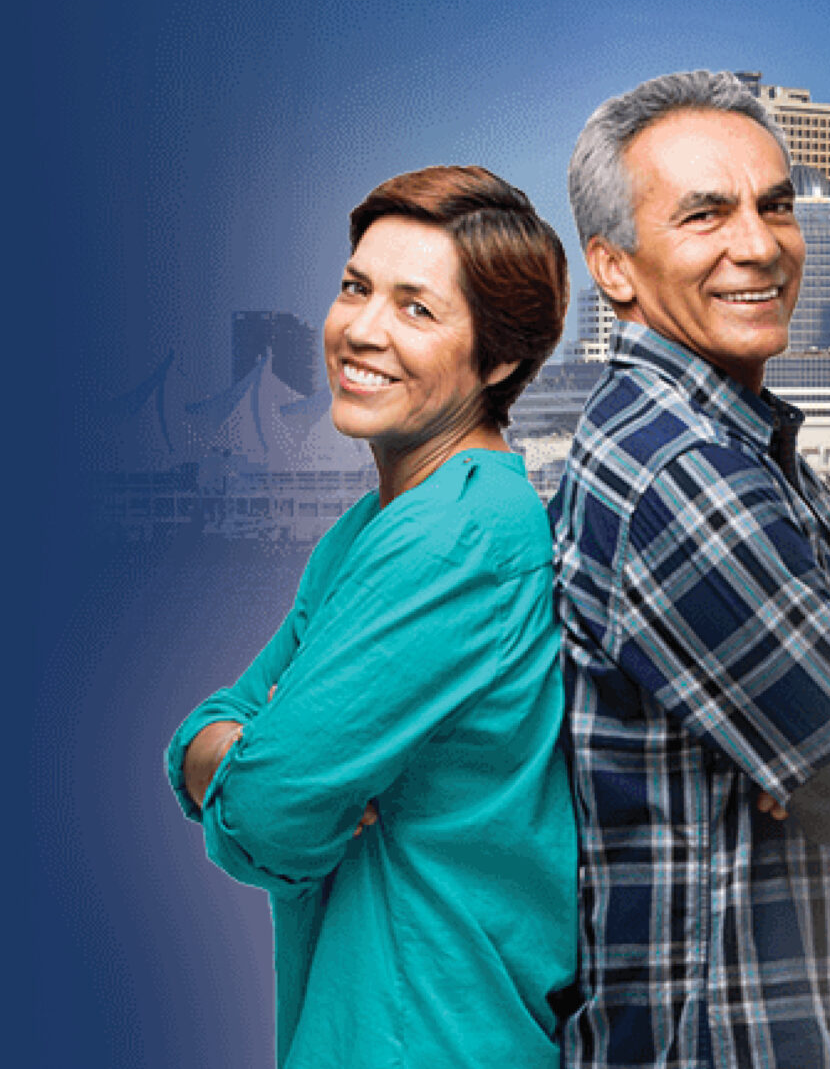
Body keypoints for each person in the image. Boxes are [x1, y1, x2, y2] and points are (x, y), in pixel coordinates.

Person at [554, 70, 830, 1066]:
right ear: (614, 267)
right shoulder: (680, 472)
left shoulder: (744, 447)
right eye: (705, 215)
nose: (760, 245)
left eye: (775, 206)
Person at [164, 165, 577, 1066]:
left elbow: (266, 810)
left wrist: (246, 761)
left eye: (415, 309)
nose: (361, 329)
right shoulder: (376, 528)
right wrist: (229, 754)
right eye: (356, 288)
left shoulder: (457, 536)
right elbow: (208, 728)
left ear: (499, 360)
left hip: (427, 1032)